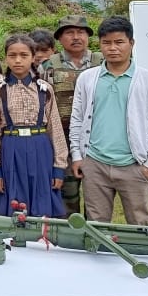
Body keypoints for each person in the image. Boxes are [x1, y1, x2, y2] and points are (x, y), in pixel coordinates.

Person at [70, 16, 148, 225]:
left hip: (134, 165)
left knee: (139, 225)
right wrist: (78, 156)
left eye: (119, 42)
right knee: (96, 225)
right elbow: (78, 119)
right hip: (95, 164)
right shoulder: (87, 78)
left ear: (131, 44)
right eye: (106, 43)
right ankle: (97, 257)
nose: (112, 48)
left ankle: (139, 257)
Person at [0, 34, 68, 218]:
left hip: (40, 148)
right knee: (14, 200)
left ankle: (40, 242)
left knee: (41, 199)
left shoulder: (44, 89)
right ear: (5, 58)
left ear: (33, 57)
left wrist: (59, 167)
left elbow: (55, 129)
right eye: (12, 55)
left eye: (23, 55)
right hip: (11, 149)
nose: (18, 60)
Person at [41, 14, 103, 215]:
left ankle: (95, 236)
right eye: (69, 33)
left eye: (81, 32)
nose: (76, 37)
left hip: (99, 138)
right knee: (67, 192)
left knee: (98, 194)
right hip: (62, 139)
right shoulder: (48, 66)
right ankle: (69, 236)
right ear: (59, 38)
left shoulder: (103, 62)